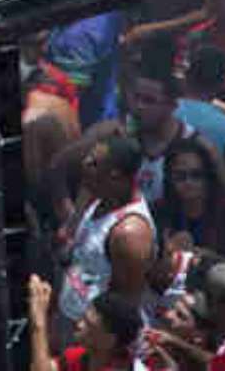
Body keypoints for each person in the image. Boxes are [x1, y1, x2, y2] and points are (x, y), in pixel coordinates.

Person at [58, 133, 156, 335]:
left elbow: (122, 308)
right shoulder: (100, 193)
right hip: (72, 319)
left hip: (95, 337)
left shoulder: (129, 234)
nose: (85, 163)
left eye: (93, 163)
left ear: (114, 175)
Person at [29, 275, 144, 371]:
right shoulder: (79, 356)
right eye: (83, 319)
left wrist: (38, 321)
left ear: (109, 340)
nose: (79, 325)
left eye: (88, 324)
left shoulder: (119, 368)